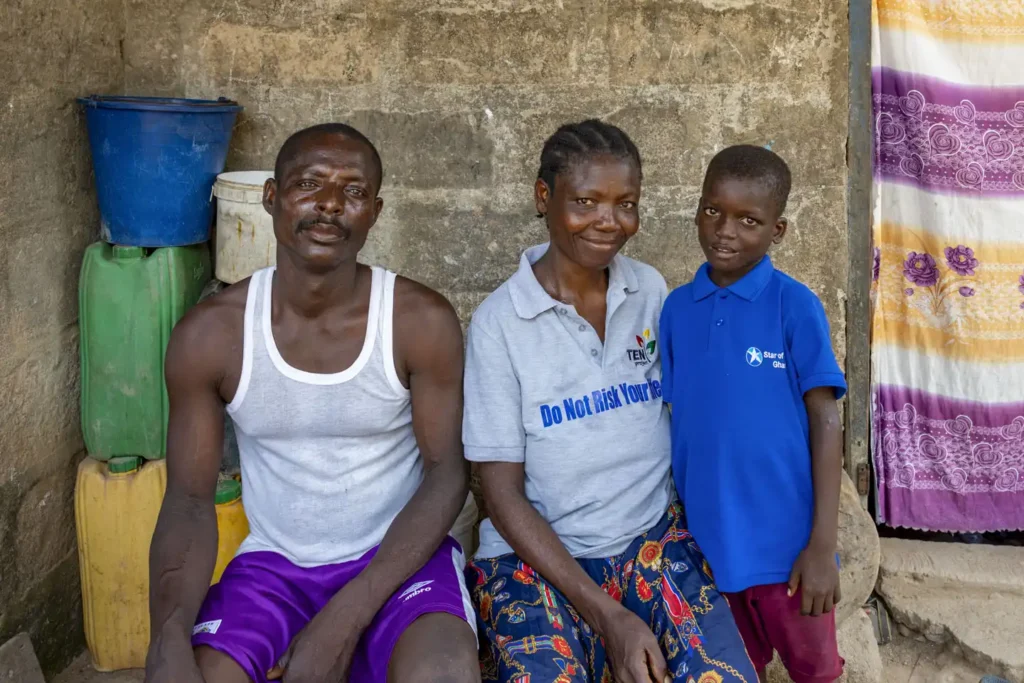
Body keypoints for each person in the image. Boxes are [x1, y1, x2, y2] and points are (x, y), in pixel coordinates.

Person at [145, 123, 480, 683]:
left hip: (399, 561)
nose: (329, 203)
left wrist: (345, 616)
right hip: (274, 570)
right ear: (271, 197)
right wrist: (167, 639)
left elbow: (448, 475)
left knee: (443, 671)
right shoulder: (211, 336)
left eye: (353, 191)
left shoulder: (418, 321)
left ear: (374, 212)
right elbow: (188, 502)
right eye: (308, 183)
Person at [463, 119, 757, 683]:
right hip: (536, 560)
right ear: (543, 197)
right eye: (585, 201)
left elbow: (695, 412)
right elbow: (499, 493)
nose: (609, 221)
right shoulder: (500, 324)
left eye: (626, 204)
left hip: (653, 539)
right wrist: (608, 617)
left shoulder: (648, 290)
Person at [659, 145, 847, 683]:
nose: (725, 231)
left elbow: (826, 420)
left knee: (815, 670)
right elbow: (680, 420)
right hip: (710, 547)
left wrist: (822, 546)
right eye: (713, 211)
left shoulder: (794, 305)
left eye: (748, 220)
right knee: (736, 669)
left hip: (788, 549)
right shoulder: (676, 310)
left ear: (777, 230)